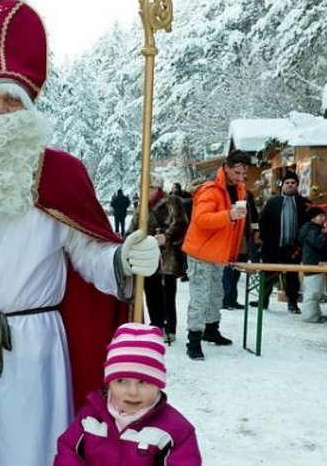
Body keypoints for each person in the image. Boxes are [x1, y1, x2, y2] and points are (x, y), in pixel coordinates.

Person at [0, 0, 160, 465]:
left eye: (12, 99)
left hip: (37, 346)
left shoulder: (61, 174)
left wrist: (122, 259)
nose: (0, 111)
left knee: (35, 447)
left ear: (30, 109)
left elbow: (89, 253)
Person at [54, 323, 201, 465]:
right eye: (121, 381)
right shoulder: (90, 419)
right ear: (109, 383)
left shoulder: (175, 431)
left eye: (143, 382)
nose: (132, 392)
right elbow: (68, 452)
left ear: (158, 384)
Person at [182, 150, 252, 360]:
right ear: (227, 167)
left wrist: (232, 250)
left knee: (216, 294)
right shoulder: (210, 190)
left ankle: (211, 330)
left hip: (218, 252)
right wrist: (228, 215)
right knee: (200, 297)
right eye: (237, 173)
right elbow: (201, 220)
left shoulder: (239, 188)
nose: (240, 178)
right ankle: (193, 340)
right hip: (200, 252)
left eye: (243, 174)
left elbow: (234, 226)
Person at [128, 174, 187, 343]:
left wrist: (166, 236)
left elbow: (181, 223)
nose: (144, 191)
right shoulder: (142, 207)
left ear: (156, 188)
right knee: (151, 292)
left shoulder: (173, 202)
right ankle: (156, 325)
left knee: (167, 293)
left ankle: (169, 328)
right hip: (147, 256)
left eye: (147, 187)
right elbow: (132, 227)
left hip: (167, 256)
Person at [259, 170, 311, 313]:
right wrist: (266, 239)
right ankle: (263, 300)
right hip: (273, 246)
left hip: (294, 248)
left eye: (293, 183)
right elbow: (263, 221)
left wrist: (302, 243)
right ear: (282, 185)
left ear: (297, 185)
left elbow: (310, 224)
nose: (290, 185)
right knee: (268, 274)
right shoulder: (273, 202)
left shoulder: (304, 203)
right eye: (287, 182)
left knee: (292, 276)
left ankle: (292, 302)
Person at [221, 190, 260, 310]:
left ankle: (232, 299)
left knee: (236, 271)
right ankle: (225, 299)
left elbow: (254, 218)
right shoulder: (230, 197)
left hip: (244, 239)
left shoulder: (249, 198)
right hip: (233, 239)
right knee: (229, 271)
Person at [297, 206, 327, 323]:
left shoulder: (313, 229)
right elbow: (319, 243)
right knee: (313, 292)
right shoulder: (311, 230)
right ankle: (310, 316)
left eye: (323, 216)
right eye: (320, 216)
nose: (323, 218)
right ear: (313, 218)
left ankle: (316, 314)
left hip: (314, 263)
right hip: (313, 264)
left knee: (315, 291)